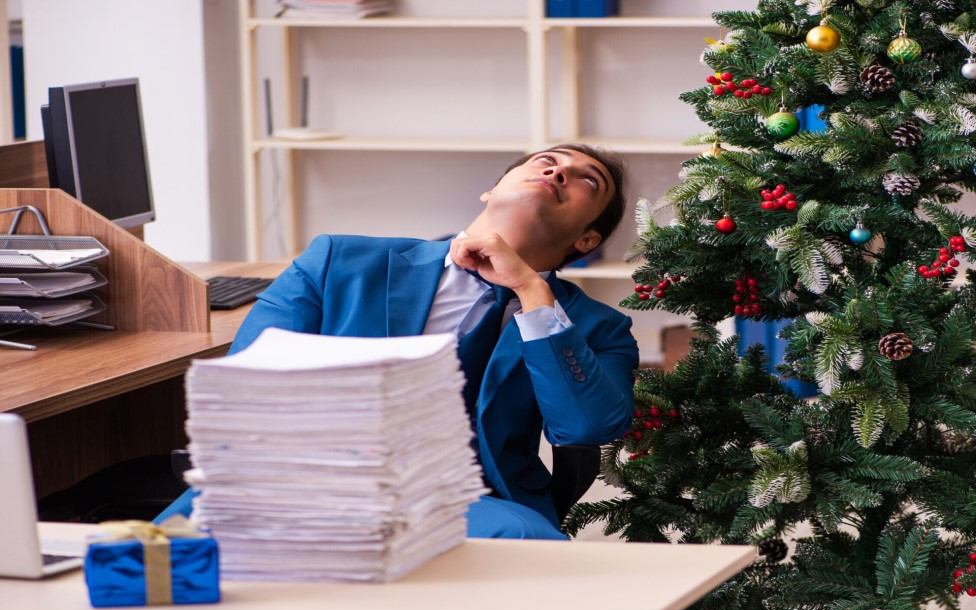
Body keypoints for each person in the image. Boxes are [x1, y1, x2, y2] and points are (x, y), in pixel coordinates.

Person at [157, 144, 638, 541]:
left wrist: (532, 292)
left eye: (586, 180)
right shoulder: (338, 261)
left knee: (534, 553)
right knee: (149, 567)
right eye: (545, 161)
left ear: (586, 240)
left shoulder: (597, 328)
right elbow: (246, 386)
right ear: (491, 190)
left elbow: (586, 426)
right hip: (296, 482)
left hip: (469, 504)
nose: (558, 171)